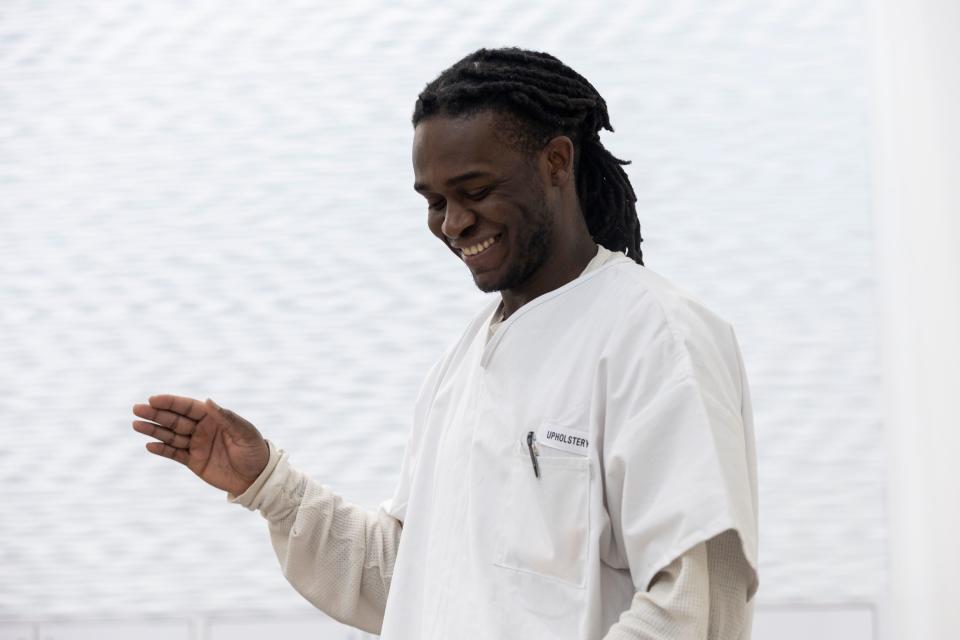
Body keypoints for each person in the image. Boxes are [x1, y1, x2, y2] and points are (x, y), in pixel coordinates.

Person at [131, 47, 759, 639]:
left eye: (475, 191)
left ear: (557, 163)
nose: (454, 223)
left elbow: (693, 608)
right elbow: (411, 580)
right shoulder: (462, 363)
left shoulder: (656, 335)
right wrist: (269, 484)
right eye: (434, 201)